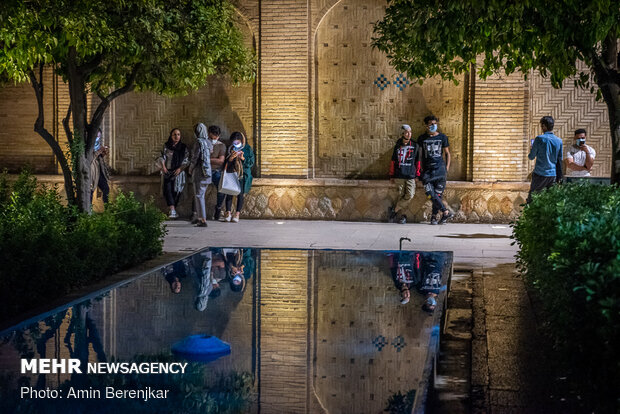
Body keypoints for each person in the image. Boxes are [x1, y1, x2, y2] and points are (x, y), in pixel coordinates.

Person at [417, 115, 453, 225]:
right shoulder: (422, 138)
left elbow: (447, 153)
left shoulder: (442, 137)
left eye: (435, 123)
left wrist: (446, 168)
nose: (433, 126)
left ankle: (433, 217)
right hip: (427, 172)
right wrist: (420, 170)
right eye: (431, 124)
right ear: (426, 126)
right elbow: (419, 155)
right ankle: (445, 211)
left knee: (437, 196)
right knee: (430, 194)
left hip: (440, 171)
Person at [388, 124, 420, 224]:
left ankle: (395, 210)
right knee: (400, 195)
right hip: (399, 174)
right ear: (402, 133)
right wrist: (392, 174)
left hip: (410, 175)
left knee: (410, 195)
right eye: (406, 132)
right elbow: (393, 161)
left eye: (410, 132)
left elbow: (418, 161)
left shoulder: (415, 145)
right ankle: (403, 216)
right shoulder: (397, 146)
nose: (409, 134)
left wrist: (417, 174)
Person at [527, 116, 563, 203]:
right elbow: (559, 159)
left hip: (540, 174)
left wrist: (532, 149)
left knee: (533, 198)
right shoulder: (559, 141)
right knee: (549, 200)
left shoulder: (539, 139)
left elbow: (531, 156)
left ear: (544, 126)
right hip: (552, 174)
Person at [221, 132, 254, 223]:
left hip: (242, 175)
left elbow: (251, 163)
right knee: (229, 192)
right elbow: (225, 162)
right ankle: (228, 213)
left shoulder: (247, 148)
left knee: (240, 194)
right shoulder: (230, 148)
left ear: (242, 141)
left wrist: (242, 158)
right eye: (234, 143)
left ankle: (237, 214)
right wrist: (231, 158)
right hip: (231, 174)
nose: (236, 144)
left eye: (237, 142)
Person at [157, 128, 189, 218]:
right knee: (168, 190)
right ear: (171, 136)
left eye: (178, 134)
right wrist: (163, 167)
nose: (176, 136)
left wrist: (180, 168)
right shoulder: (166, 146)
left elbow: (186, 160)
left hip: (178, 172)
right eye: (174, 134)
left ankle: (173, 209)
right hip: (167, 171)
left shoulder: (183, 147)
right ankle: (172, 210)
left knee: (177, 191)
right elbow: (161, 156)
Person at [188, 123, 213, 227]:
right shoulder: (208, 142)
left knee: (199, 196)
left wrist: (190, 168)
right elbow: (210, 152)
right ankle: (199, 217)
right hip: (208, 172)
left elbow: (195, 157)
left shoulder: (198, 142)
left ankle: (202, 219)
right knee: (201, 196)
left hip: (199, 172)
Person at [207, 125, 227, 220]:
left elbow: (221, 161)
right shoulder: (204, 144)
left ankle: (218, 208)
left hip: (216, 171)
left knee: (221, 188)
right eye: (211, 137)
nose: (213, 139)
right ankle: (195, 211)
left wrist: (207, 159)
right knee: (199, 190)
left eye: (215, 137)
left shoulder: (221, 146)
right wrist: (214, 159)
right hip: (205, 170)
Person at [90, 128, 110, 205]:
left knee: (106, 188)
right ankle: (88, 213)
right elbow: (89, 158)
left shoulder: (97, 145)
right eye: (96, 136)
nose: (97, 138)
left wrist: (102, 154)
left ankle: (107, 208)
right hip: (92, 172)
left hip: (99, 171)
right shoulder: (87, 145)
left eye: (99, 136)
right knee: (90, 192)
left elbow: (97, 157)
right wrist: (99, 151)